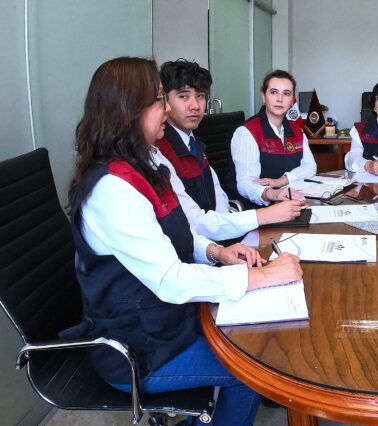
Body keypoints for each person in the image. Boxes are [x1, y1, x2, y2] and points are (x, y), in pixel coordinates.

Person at [65, 57, 303, 426]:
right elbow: (171, 280)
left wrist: (217, 251)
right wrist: (263, 276)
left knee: (256, 337)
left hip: (169, 323)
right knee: (254, 368)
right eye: (159, 99)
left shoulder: (147, 161)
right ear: (129, 109)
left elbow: (179, 230)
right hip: (140, 348)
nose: (167, 109)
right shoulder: (113, 188)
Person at [155, 59, 303, 241]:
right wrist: (264, 214)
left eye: (200, 96)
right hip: (195, 245)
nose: (195, 105)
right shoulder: (160, 151)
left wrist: (226, 235)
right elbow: (192, 222)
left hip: (218, 236)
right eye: (183, 97)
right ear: (165, 101)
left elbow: (219, 196)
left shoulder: (193, 142)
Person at [231, 70, 316, 207]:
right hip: (260, 209)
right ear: (263, 96)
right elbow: (245, 182)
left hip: (293, 201)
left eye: (286, 94)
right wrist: (272, 193)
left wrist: (282, 180)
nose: (280, 99)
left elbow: (310, 166)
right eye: (274, 92)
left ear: (292, 100)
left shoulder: (297, 130)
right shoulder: (247, 132)